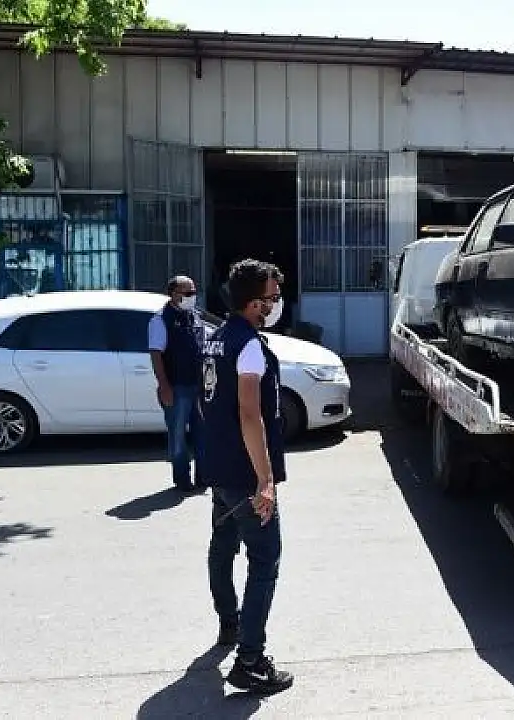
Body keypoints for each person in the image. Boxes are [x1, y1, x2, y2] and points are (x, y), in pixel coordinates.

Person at [200, 258, 294, 695]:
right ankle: (250, 660)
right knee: (264, 561)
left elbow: (208, 404)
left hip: (218, 468)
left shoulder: (216, 338)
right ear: (255, 303)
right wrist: (265, 480)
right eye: (273, 297)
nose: (276, 304)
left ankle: (230, 624)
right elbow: (249, 413)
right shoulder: (249, 347)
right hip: (244, 474)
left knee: (223, 547)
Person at [147, 275, 208, 495]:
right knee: (178, 436)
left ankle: (204, 477)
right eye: (188, 293)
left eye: (194, 292)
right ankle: (182, 480)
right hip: (176, 387)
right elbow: (156, 355)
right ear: (174, 294)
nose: (192, 297)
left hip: (199, 386)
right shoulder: (161, 320)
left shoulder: (195, 316)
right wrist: (164, 386)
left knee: (203, 434)